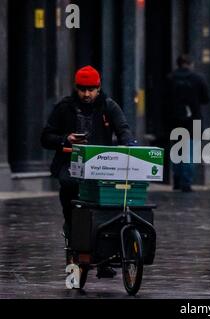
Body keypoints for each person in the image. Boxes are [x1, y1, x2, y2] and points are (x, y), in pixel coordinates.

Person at [41, 65, 136, 278]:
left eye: (91, 89)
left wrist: (128, 144)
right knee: (73, 206)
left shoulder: (109, 106)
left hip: (102, 168)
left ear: (99, 88)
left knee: (110, 210)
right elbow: (46, 137)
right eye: (82, 89)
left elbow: (123, 129)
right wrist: (66, 139)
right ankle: (74, 243)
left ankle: (105, 259)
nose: (86, 94)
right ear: (76, 88)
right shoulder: (64, 107)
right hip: (70, 168)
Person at [164, 54, 209, 192]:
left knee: (176, 150)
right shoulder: (198, 79)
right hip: (193, 120)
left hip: (174, 120)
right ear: (191, 64)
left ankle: (176, 180)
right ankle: (186, 182)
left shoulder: (170, 79)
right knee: (190, 152)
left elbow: (163, 100)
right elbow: (205, 98)